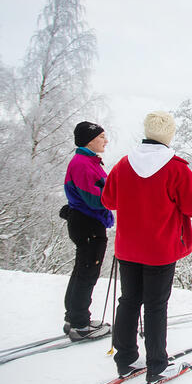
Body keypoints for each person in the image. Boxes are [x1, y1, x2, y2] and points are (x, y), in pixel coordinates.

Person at [101, 110, 192, 384]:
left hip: (128, 248)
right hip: (160, 250)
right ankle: (157, 366)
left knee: (129, 302)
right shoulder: (177, 168)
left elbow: (108, 200)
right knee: (155, 306)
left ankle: (126, 359)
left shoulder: (123, 164)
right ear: (169, 135)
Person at [62, 121, 114, 341]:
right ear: (90, 139)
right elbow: (94, 198)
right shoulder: (83, 163)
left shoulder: (88, 161)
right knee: (87, 272)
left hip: (87, 222)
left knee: (82, 270)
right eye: (102, 136)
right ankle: (81, 325)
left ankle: (74, 317)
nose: (106, 140)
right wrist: (118, 194)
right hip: (89, 223)